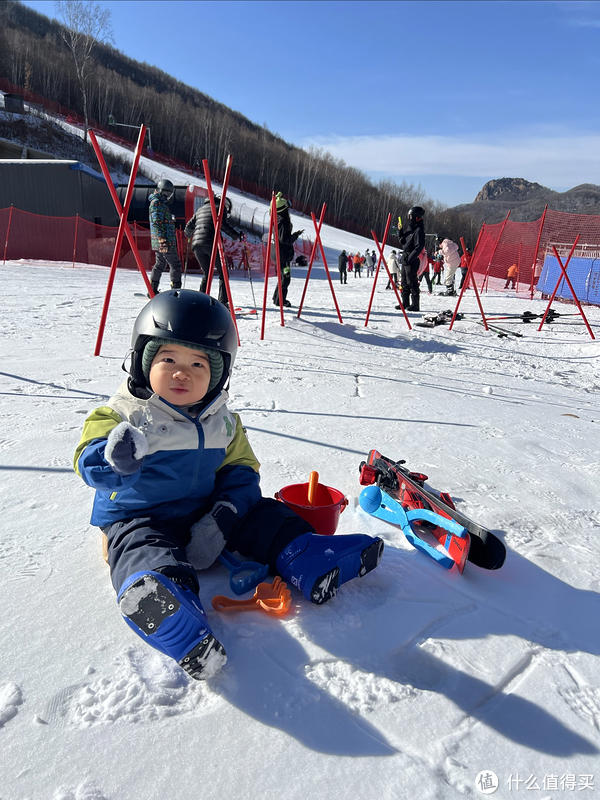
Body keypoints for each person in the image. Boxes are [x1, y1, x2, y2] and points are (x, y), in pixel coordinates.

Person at [73, 290, 384, 680]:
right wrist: (113, 458)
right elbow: (88, 456)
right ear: (143, 361)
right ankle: (167, 605)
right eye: (168, 358)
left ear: (218, 374)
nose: (181, 372)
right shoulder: (122, 414)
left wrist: (225, 513)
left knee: (266, 514)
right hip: (140, 517)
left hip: (206, 510)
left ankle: (304, 555)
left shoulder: (224, 423)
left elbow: (242, 471)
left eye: (198, 363)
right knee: (139, 548)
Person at [184, 195, 241, 307]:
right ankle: (223, 303)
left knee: (207, 273)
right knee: (223, 273)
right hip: (212, 243)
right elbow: (223, 225)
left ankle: (200, 300)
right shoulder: (219, 208)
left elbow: (188, 228)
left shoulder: (200, 210)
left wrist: (190, 235)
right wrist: (237, 236)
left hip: (196, 244)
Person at [148, 179, 182, 295]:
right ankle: (175, 291)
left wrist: (171, 222)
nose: (168, 196)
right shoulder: (157, 203)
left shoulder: (161, 203)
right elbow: (156, 222)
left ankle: (152, 289)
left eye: (169, 193)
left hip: (162, 240)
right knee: (175, 264)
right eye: (166, 193)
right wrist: (162, 240)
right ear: (160, 190)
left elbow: (162, 221)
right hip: (164, 241)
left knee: (160, 264)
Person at [272, 192, 303, 307]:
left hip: (280, 253)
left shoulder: (277, 219)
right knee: (285, 278)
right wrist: (295, 235)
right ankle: (280, 300)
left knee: (282, 277)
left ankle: (276, 297)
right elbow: (285, 239)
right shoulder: (283, 222)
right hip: (283, 255)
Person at [395, 206, 426, 311]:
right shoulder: (410, 228)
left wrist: (410, 258)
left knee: (411, 282)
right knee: (403, 282)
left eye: (411, 216)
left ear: (416, 217)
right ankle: (405, 303)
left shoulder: (419, 230)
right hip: (405, 257)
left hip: (411, 260)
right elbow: (403, 242)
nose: (409, 218)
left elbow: (419, 246)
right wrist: (400, 231)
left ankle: (415, 305)